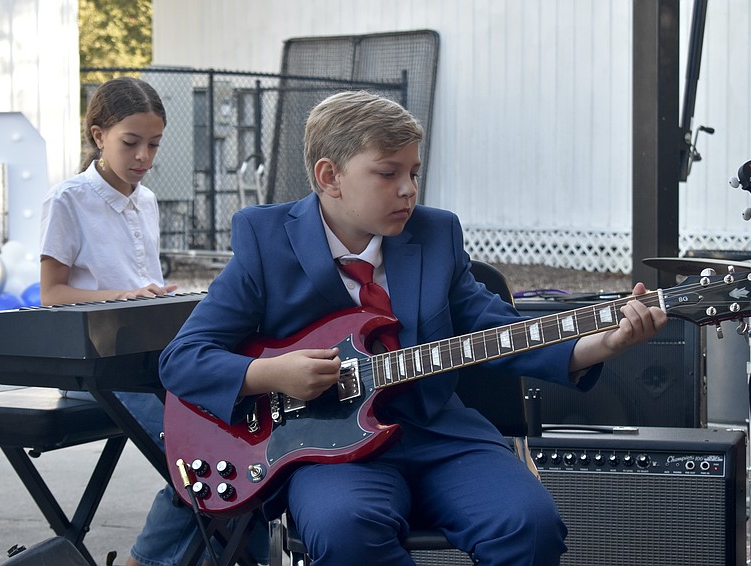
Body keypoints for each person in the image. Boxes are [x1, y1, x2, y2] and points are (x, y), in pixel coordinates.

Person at [158, 90, 667, 566]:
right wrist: (272, 374)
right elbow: (182, 359)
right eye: (388, 173)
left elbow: (497, 329)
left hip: (439, 435)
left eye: (414, 172)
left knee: (530, 525)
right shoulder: (265, 239)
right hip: (329, 451)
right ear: (330, 176)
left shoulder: (435, 233)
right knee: (344, 531)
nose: (408, 189)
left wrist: (599, 344)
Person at [39, 76, 268, 566]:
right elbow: (51, 294)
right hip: (96, 369)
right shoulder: (68, 200)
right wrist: (124, 295)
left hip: (150, 361)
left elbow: (144, 285)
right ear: (98, 135)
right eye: (131, 143)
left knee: (245, 447)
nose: (144, 156)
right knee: (199, 462)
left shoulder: (145, 200)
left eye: (154, 144)